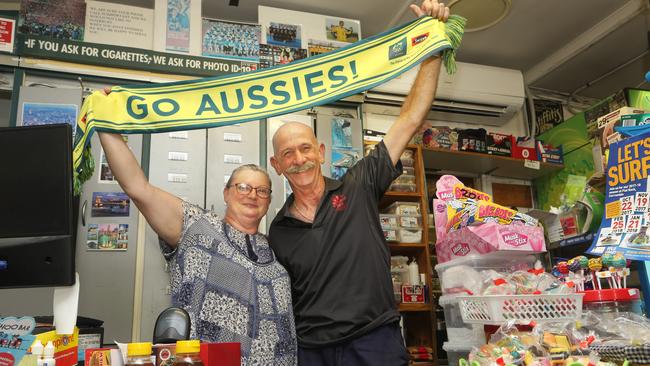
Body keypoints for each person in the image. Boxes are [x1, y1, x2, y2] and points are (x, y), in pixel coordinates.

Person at [267, 1, 449, 365]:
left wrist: (432, 44)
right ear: (276, 165)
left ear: (320, 152)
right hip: (311, 351)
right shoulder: (278, 230)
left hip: (373, 342)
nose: (298, 159)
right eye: (288, 154)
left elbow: (411, 117)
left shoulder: (359, 184)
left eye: (305, 148)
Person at [96, 124, 297, 365]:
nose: (252, 195)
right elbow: (138, 187)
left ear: (269, 200)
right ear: (226, 193)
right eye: (243, 187)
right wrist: (105, 125)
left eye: (262, 190)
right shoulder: (196, 227)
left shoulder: (272, 247)